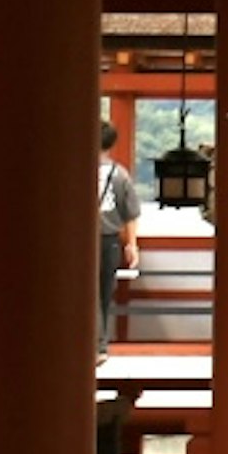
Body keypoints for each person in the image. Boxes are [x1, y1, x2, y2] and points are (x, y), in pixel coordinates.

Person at [98, 119, 145, 349]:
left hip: (79, 242)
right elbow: (131, 214)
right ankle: (100, 343)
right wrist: (132, 245)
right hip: (109, 240)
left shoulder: (75, 171)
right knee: (104, 293)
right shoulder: (120, 174)